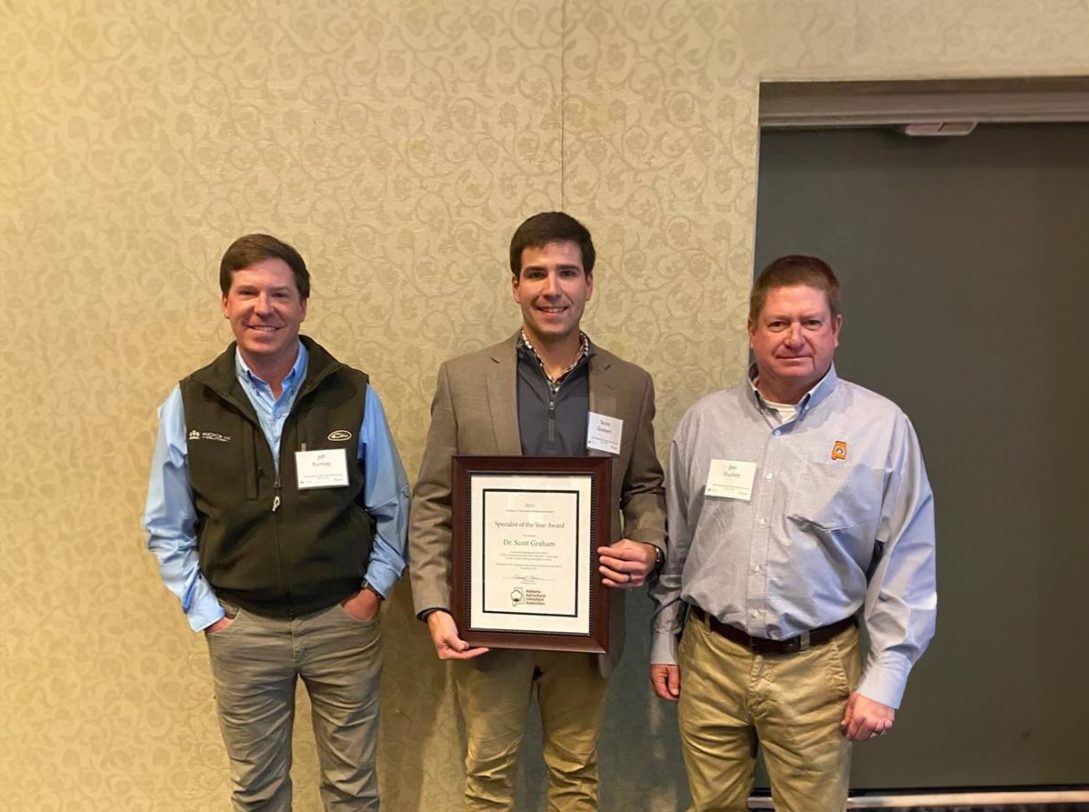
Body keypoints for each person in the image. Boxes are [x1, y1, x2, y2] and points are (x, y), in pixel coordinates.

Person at [650, 255, 936, 812]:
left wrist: (887, 676)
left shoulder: (881, 429)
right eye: (778, 323)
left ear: (836, 329)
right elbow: (679, 545)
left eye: (810, 322)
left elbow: (908, 560)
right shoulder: (705, 422)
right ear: (753, 330)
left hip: (817, 667)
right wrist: (665, 638)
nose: (794, 338)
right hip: (709, 659)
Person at [409, 212, 667, 810]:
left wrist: (648, 547)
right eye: (537, 273)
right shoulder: (463, 379)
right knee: (487, 778)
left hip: (587, 621)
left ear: (590, 283)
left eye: (567, 273)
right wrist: (434, 604)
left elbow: (645, 487)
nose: (553, 288)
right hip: (488, 621)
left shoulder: (629, 384)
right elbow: (432, 501)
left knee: (575, 775)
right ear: (515, 285)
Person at [143, 233, 409, 810]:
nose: (264, 307)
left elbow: (393, 504)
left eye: (280, 294)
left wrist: (371, 592)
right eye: (248, 292)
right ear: (225, 303)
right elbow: (166, 525)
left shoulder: (352, 395)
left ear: (303, 305)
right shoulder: (189, 403)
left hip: (342, 624)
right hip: (244, 630)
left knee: (353, 790)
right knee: (257, 793)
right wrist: (209, 614)